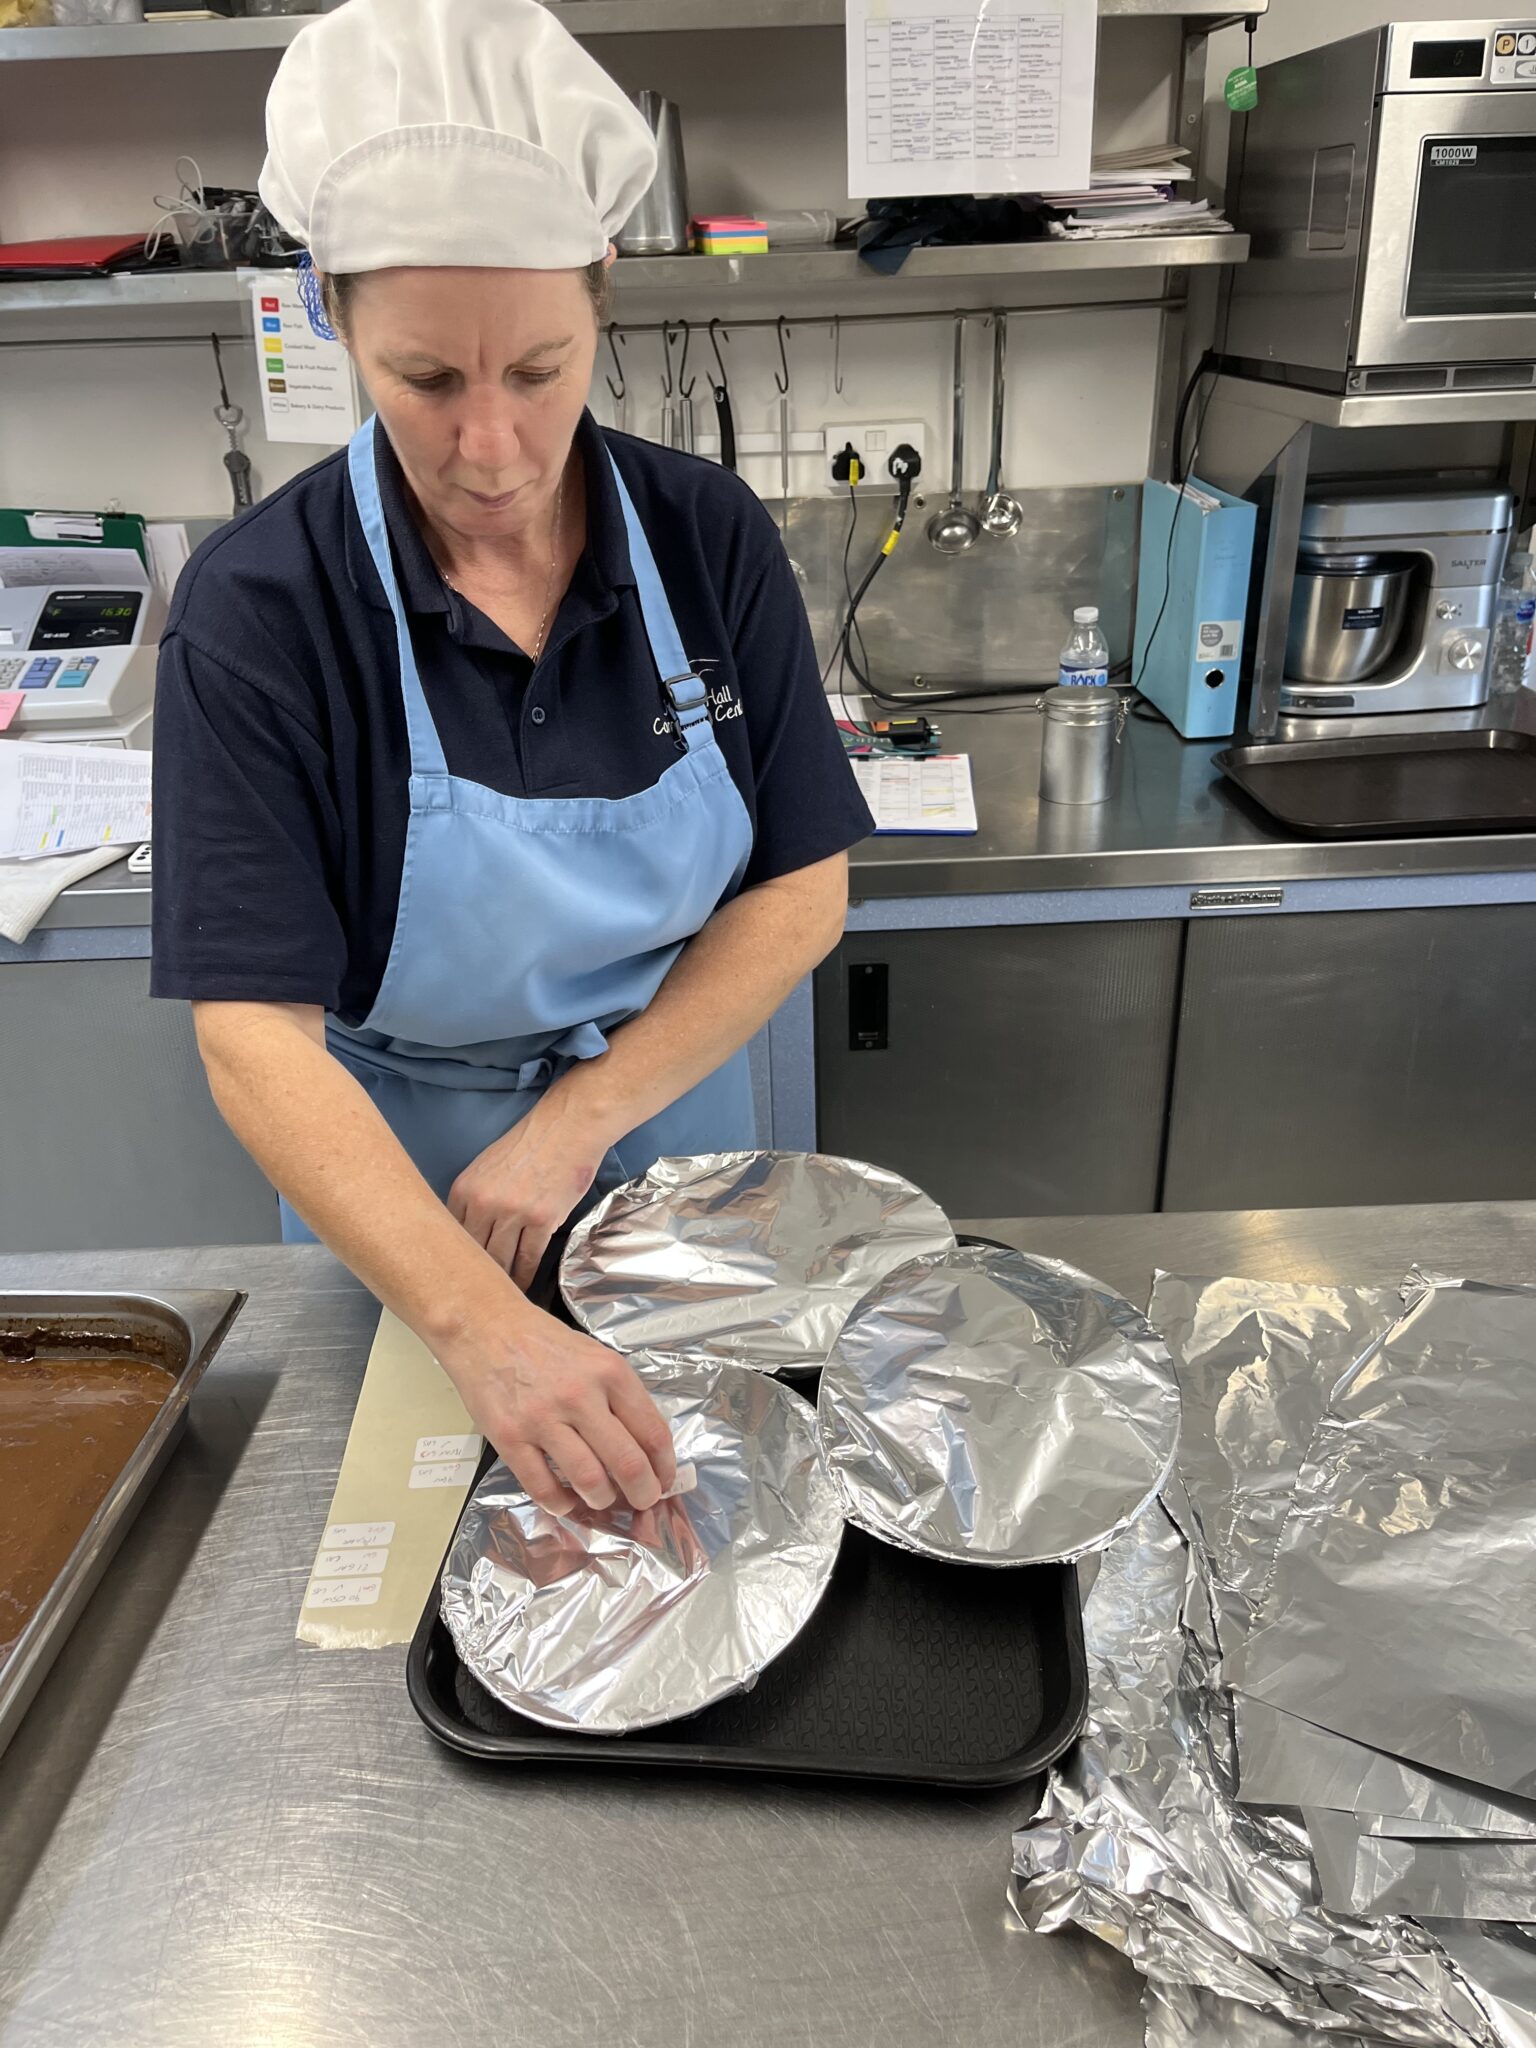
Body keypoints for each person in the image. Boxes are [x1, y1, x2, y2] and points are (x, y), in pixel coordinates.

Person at [150, 0, 873, 1522]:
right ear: (333, 313)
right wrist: (474, 1328)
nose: (491, 448)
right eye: (426, 380)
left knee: (721, 1524)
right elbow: (254, 1040)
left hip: (662, 1123)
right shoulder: (262, 609)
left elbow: (800, 893)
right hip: (398, 1193)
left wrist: (579, 1122)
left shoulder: (705, 537)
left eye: (539, 369)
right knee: (402, 1553)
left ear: (604, 290)